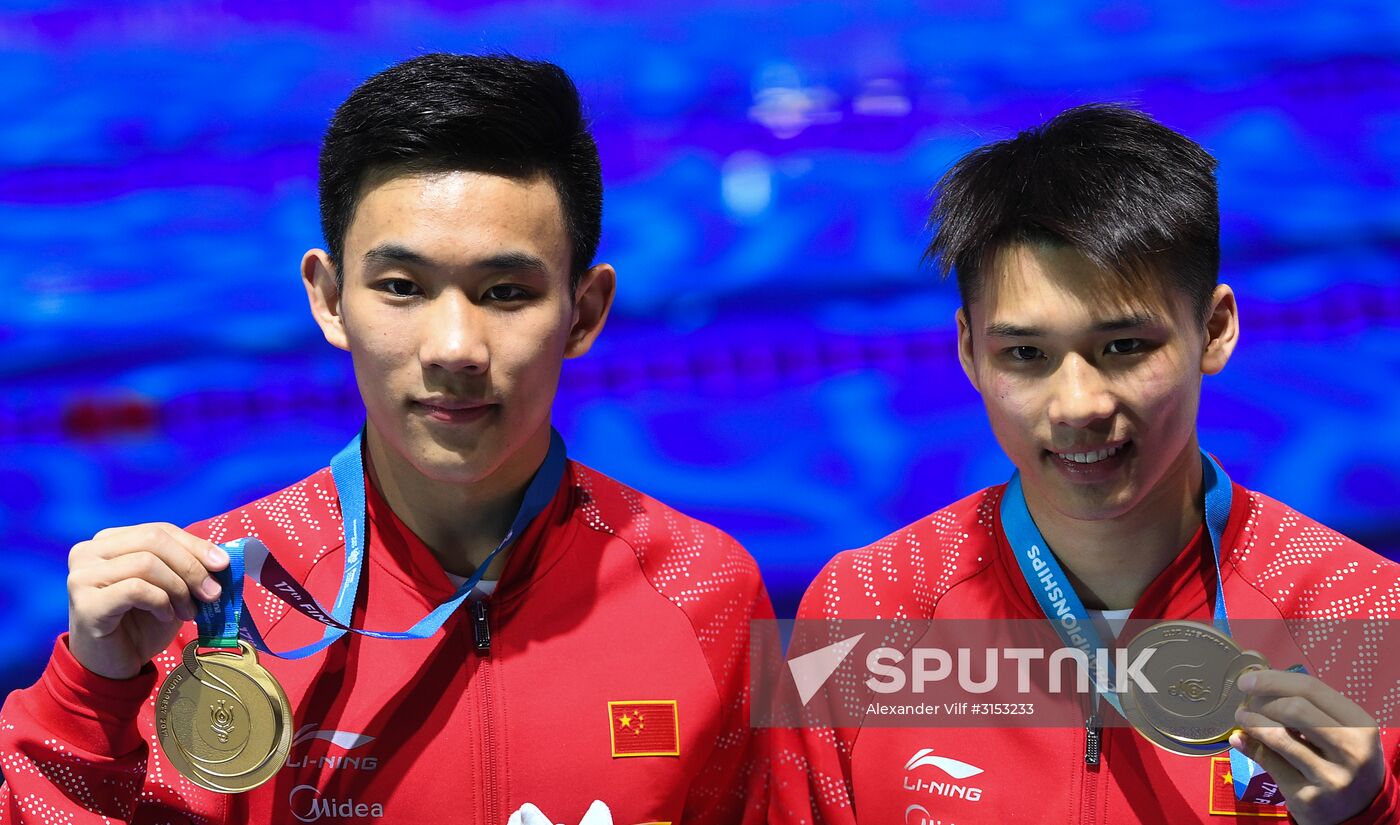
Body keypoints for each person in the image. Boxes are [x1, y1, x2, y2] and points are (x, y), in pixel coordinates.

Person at [0, 53, 773, 825]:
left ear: (585, 311)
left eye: (507, 292)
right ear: (330, 299)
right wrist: (87, 694)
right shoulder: (197, 606)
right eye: (401, 287)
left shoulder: (709, 591)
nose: (454, 347)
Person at [771, 104, 1399, 824]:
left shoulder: (1364, 614)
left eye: (1124, 346)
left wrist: (1367, 815)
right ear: (969, 350)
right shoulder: (871, 606)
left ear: (1215, 330)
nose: (1077, 404)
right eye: (1026, 355)